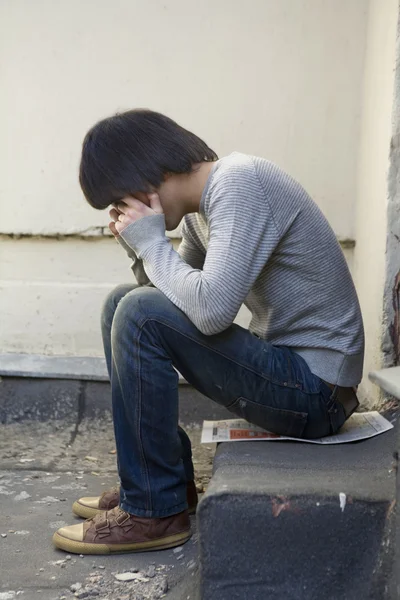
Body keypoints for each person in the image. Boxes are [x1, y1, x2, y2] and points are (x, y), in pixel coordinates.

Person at [53, 109, 364, 555]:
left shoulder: (240, 184)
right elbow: (170, 302)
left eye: (119, 200)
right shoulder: (204, 208)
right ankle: (164, 485)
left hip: (318, 392)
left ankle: (154, 511)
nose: (120, 211)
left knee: (138, 310)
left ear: (144, 179)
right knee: (121, 304)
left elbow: (211, 312)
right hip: (292, 377)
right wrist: (141, 248)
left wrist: (153, 245)